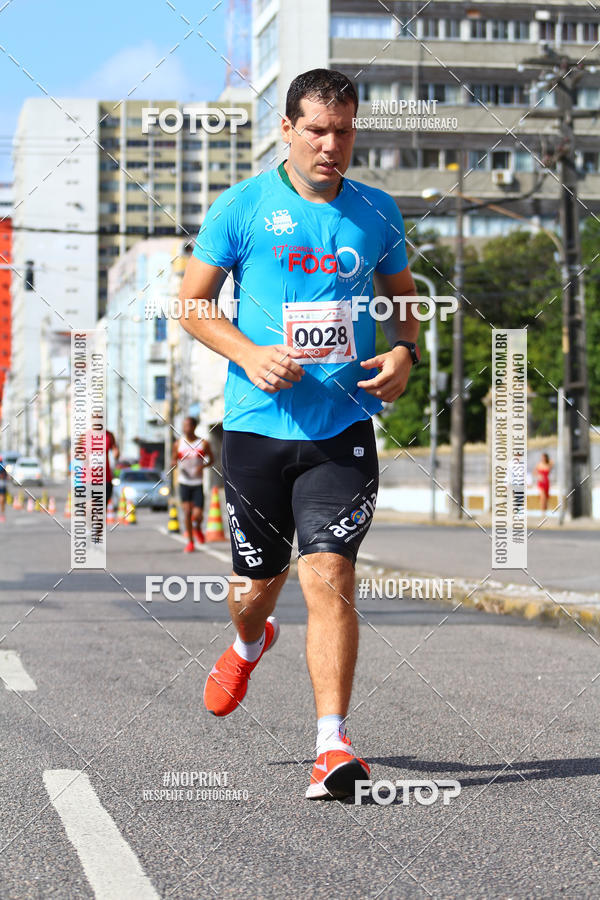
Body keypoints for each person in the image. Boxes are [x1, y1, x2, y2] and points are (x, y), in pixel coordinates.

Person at [179, 69, 419, 800]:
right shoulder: (242, 207)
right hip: (255, 431)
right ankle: (251, 641)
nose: (331, 145)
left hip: (340, 430)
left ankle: (332, 744)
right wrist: (249, 354)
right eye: (316, 129)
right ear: (286, 130)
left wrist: (405, 354)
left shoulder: (377, 214)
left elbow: (403, 309)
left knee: (331, 574)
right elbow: (191, 305)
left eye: (344, 131)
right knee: (256, 587)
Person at [172, 416, 213, 552]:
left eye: (188, 425)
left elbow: (212, 459)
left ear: (194, 427)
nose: (186, 428)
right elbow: (173, 461)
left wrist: (202, 467)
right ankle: (190, 541)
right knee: (187, 512)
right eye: (184, 426)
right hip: (184, 482)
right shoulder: (178, 443)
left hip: (197, 483)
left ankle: (197, 528)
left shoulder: (203, 443)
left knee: (198, 514)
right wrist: (175, 464)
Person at [0, 455, 7, 522]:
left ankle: (2, 515)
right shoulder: (3, 465)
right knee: (2, 499)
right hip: (2, 483)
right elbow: (5, 476)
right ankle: (2, 515)